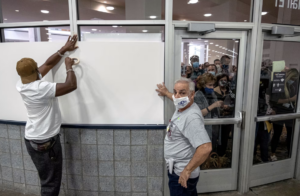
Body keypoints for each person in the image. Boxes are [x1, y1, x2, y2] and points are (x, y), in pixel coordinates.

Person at [16, 35, 79, 196]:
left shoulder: (22, 84)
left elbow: (49, 64)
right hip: (46, 142)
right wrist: (68, 66)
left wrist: (64, 50)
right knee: (51, 185)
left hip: (32, 139)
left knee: (47, 181)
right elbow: (71, 85)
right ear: (36, 71)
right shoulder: (40, 88)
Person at [159, 78, 212, 196]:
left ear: (192, 94)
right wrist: (166, 92)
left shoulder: (191, 117)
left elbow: (205, 148)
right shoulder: (183, 105)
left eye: (182, 93)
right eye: (175, 92)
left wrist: (187, 171)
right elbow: (175, 97)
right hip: (178, 170)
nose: (177, 96)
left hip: (181, 174)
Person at [268, 68, 299, 161]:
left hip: (291, 113)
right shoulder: (279, 83)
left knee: (291, 134)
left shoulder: (294, 85)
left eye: (294, 79)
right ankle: (272, 153)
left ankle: (290, 154)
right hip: (279, 112)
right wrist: (291, 99)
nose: (292, 81)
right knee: (277, 134)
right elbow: (275, 100)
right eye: (292, 78)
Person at [214, 74, 235, 156]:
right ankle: (213, 155)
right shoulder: (213, 91)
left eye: (225, 80)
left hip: (228, 118)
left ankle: (222, 155)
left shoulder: (230, 92)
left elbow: (235, 103)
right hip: (216, 118)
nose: (223, 81)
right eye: (221, 80)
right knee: (215, 137)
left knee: (224, 137)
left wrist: (229, 108)